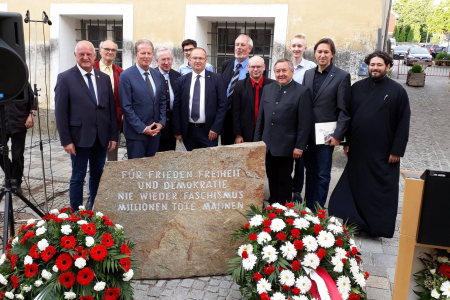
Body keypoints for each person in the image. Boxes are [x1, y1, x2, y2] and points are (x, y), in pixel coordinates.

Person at [329, 51, 410, 238]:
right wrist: (347, 141)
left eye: (379, 65)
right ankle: (355, 222)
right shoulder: (357, 88)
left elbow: (403, 122)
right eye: (372, 64)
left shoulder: (398, 91)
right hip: (359, 149)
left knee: (380, 190)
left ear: (388, 66)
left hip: (384, 152)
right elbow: (348, 116)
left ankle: (377, 228)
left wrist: (397, 149)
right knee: (357, 185)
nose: (375, 68)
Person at [55, 40, 117, 211]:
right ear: (75, 55)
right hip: (78, 138)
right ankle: (76, 213)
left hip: (101, 137)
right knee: (78, 176)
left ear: (95, 55)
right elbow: (61, 113)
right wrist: (66, 140)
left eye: (89, 54)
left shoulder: (103, 78)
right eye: (81, 54)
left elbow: (110, 109)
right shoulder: (65, 78)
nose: (85, 57)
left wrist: (113, 136)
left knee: (98, 174)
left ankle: (95, 208)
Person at [254, 59, 312, 205]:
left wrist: (299, 146)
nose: (281, 74)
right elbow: (261, 118)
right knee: (271, 176)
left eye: (284, 70)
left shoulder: (302, 91)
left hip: (287, 145)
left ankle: (283, 206)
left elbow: (304, 123)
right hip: (268, 144)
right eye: (278, 71)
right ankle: (273, 203)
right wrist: (257, 143)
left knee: (284, 178)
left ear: (292, 71)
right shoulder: (268, 89)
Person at [302, 38, 351, 212]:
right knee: (310, 171)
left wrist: (338, 135)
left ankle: (319, 210)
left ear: (332, 54)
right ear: (314, 53)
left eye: (326, 52)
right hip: (307, 133)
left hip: (326, 134)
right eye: (319, 51)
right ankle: (308, 208)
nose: (322, 55)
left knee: (323, 174)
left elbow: (344, 110)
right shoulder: (308, 74)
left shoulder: (341, 76)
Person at [173, 48, 227, 151]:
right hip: (188, 131)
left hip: (209, 132)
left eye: (201, 58)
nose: (197, 61)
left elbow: (222, 105)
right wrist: (178, 131)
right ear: (190, 60)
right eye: (194, 58)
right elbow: (177, 107)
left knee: (209, 164)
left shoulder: (216, 79)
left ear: (206, 60)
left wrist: (215, 128)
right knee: (190, 163)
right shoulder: (182, 80)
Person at [119, 39, 166, 159]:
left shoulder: (157, 75)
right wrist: (143, 128)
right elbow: (126, 107)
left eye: (149, 53)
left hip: (155, 133)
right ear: (136, 54)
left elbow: (162, 102)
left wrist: (161, 122)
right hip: (136, 134)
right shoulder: (126, 76)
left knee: (152, 171)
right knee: (137, 173)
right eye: (142, 53)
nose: (146, 56)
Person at [289, 33, 317, 203]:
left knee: (300, 156)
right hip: (286, 115)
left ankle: (297, 190)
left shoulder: (311, 67)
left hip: (303, 114)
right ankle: (286, 187)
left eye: (300, 46)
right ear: (290, 47)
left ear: (305, 48)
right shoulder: (284, 65)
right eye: (294, 46)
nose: (297, 49)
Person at [0, 84, 35, 194]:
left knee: (17, 155)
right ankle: (9, 175)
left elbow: (32, 99)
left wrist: (31, 115)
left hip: (19, 121)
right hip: (1, 122)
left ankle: (16, 182)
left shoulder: (21, 78)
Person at [232, 56, 275, 143]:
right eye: (253, 67)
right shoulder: (240, 85)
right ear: (248, 67)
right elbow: (235, 111)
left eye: (258, 67)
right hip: (245, 133)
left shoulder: (272, 85)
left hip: (266, 132)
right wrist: (238, 134)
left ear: (264, 67)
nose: (255, 69)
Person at [93, 39, 123, 161]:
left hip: (114, 119)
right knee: (94, 156)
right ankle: (94, 178)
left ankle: (111, 178)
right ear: (100, 51)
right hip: (94, 120)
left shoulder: (120, 72)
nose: (110, 52)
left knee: (112, 156)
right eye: (107, 49)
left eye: (113, 50)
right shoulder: (91, 68)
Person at [221, 34, 253, 146]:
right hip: (226, 116)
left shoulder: (253, 66)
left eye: (242, 45)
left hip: (243, 117)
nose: (239, 47)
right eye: (237, 45)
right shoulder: (226, 64)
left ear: (249, 49)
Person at [155, 47, 180, 152]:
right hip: (156, 124)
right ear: (157, 61)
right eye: (163, 59)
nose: (166, 62)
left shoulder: (177, 76)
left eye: (168, 59)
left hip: (171, 125)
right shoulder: (152, 74)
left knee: (169, 155)